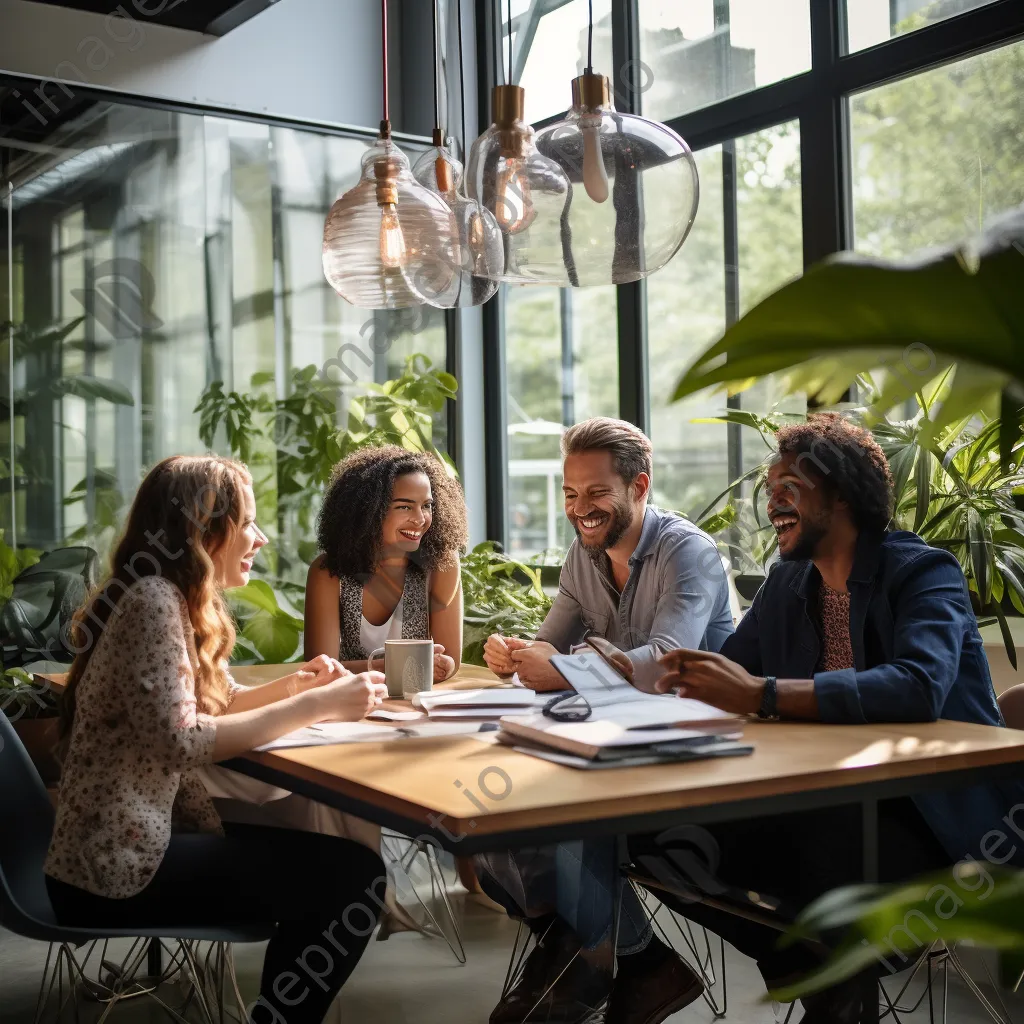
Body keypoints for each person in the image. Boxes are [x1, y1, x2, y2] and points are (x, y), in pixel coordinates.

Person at [642, 413, 1022, 1023]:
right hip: (826, 797)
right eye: (769, 494)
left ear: (840, 494)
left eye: (787, 489)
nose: (772, 507)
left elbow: (917, 686)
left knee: (822, 863)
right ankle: (817, 976)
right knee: (653, 840)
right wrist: (660, 683)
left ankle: (834, 983)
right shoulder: (789, 582)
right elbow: (729, 677)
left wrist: (761, 694)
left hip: (931, 812)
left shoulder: (923, 572)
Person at [45, 455, 389, 1024]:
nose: (260, 537)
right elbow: (181, 741)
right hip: (113, 869)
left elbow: (214, 704)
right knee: (353, 880)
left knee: (341, 869)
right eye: (248, 522)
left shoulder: (163, 595)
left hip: (118, 849)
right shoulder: (154, 602)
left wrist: (294, 686)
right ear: (204, 529)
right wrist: (316, 705)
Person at [478, 417, 736, 1024]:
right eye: (570, 494)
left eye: (596, 493)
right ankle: (639, 962)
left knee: (565, 811)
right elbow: (549, 645)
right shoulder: (582, 556)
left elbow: (669, 665)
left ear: (638, 485)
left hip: (696, 749)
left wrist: (561, 668)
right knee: (493, 819)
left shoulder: (688, 553)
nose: (580, 509)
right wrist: (514, 656)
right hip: (611, 743)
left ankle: (586, 965)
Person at [304, 444, 468, 680]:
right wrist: (399, 665)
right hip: (349, 704)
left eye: (427, 506)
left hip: (417, 704)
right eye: (404, 506)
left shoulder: (441, 565)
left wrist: (443, 663)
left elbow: (450, 662)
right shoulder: (328, 573)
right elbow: (320, 669)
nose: (420, 519)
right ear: (368, 510)